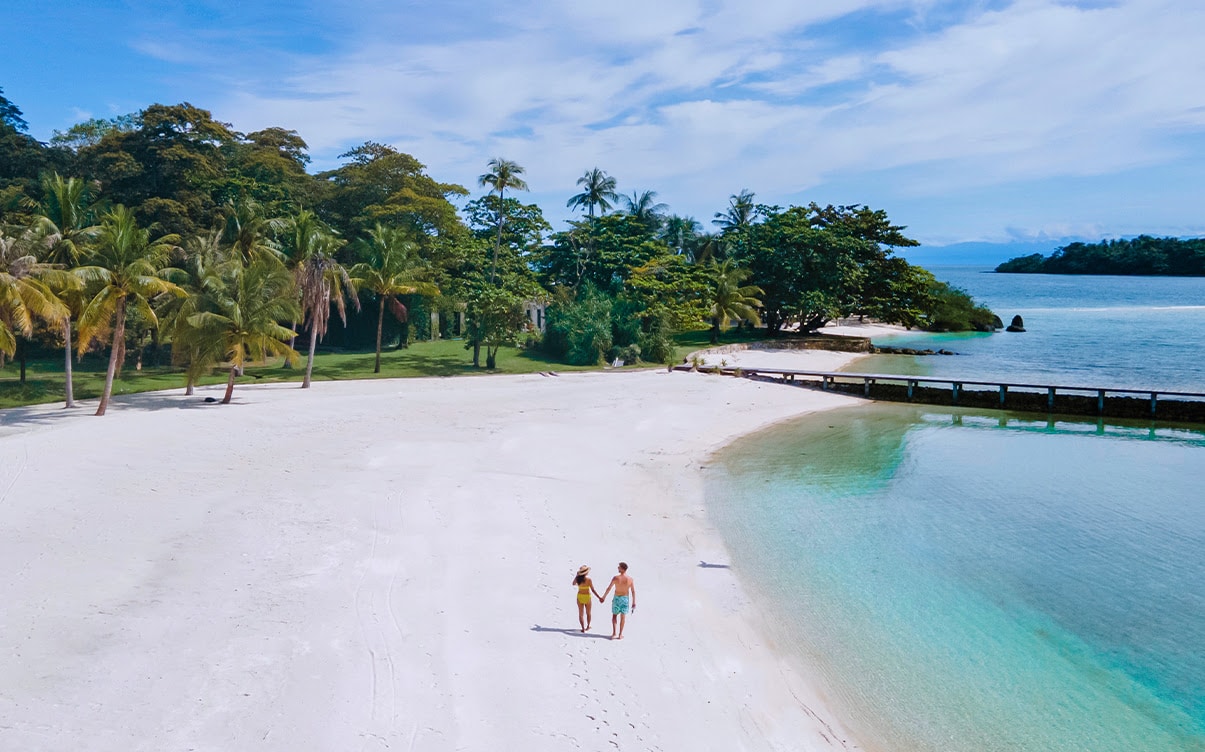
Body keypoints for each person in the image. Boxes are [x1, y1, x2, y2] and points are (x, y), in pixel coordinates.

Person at [600, 562, 636, 640]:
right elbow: (633, 591)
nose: (618, 568)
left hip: (617, 598)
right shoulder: (630, 579)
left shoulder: (615, 578)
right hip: (625, 599)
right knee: (623, 617)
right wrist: (634, 602)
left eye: (619, 567)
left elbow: (609, 588)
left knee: (614, 616)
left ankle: (614, 633)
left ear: (623, 569)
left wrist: (603, 597)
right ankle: (620, 634)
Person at [572, 565, 602, 633]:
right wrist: (599, 597)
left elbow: (573, 583)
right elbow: (593, 590)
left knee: (581, 613)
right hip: (587, 597)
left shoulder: (578, 579)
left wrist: (577, 576)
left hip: (580, 596)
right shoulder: (588, 580)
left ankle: (582, 628)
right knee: (588, 613)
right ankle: (588, 626)